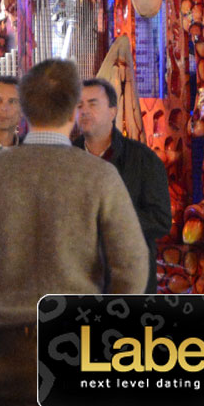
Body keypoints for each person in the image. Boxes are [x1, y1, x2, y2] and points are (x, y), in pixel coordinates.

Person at [0, 59, 148, 406]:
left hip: (12, 339)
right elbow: (133, 263)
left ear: (24, 109)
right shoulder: (99, 175)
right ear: (73, 109)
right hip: (84, 336)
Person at [73, 77, 172, 292]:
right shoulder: (64, 160)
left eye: (92, 104)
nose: (84, 111)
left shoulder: (143, 159)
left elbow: (161, 221)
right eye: (79, 105)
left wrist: (113, 219)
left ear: (113, 111)